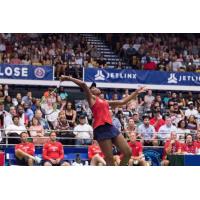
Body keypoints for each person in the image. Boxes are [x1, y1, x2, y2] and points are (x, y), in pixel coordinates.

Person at [60, 75, 147, 166]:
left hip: (111, 127)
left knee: (128, 152)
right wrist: (67, 78)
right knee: (109, 159)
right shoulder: (91, 99)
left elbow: (122, 102)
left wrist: (136, 92)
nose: (95, 88)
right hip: (101, 129)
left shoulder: (105, 101)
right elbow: (83, 84)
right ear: (90, 92)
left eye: (95, 87)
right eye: (93, 88)